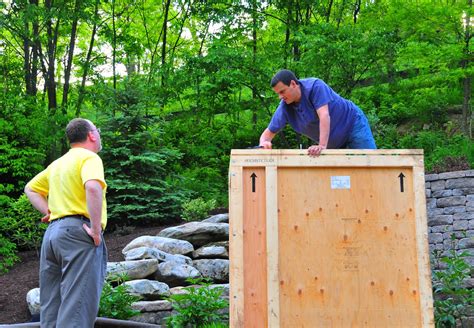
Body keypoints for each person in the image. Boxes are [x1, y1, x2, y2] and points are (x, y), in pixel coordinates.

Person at [24, 118, 108, 327]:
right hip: (79, 233)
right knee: (77, 309)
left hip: (52, 236)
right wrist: (96, 230)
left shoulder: (58, 164)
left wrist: (48, 212)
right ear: (91, 135)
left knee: (51, 309)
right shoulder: (90, 158)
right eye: (97, 130)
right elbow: (92, 188)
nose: (98, 134)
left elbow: (30, 189)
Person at [259, 69, 376, 156]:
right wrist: (264, 144)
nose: (280, 97)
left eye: (282, 91)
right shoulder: (284, 107)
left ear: (293, 84)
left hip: (353, 124)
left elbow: (324, 115)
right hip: (333, 143)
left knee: (370, 163)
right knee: (339, 182)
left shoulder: (315, 86)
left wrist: (322, 146)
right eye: (278, 93)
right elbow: (267, 135)